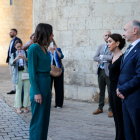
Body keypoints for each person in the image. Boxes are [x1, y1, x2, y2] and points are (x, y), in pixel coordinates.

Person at [28, 23, 53, 140]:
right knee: (38, 119)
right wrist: (36, 91)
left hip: (47, 83)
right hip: (39, 83)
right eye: (51, 33)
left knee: (44, 118)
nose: (52, 35)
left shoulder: (45, 48)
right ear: (45, 33)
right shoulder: (33, 48)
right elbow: (32, 72)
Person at [116, 20, 140, 140]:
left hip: (135, 100)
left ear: (135, 31)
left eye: (125, 30)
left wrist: (122, 89)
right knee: (128, 133)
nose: (123, 34)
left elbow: (139, 76)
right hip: (125, 98)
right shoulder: (130, 47)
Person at [108, 34, 126, 140]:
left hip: (118, 89)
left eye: (110, 41)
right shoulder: (113, 57)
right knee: (116, 118)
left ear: (117, 43)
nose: (108, 44)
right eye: (107, 41)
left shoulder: (122, 58)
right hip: (111, 89)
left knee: (120, 118)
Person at [93, 31, 113, 117]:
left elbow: (112, 57)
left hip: (108, 71)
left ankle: (111, 109)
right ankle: (100, 108)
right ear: (103, 37)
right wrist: (104, 60)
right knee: (101, 90)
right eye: (106, 35)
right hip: (100, 71)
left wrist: (102, 56)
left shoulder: (112, 46)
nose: (107, 37)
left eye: (109, 35)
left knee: (110, 91)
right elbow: (95, 57)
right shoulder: (100, 46)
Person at [10, 39, 30, 113]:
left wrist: (24, 58)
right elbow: (11, 63)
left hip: (26, 71)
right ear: (15, 47)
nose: (19, 48)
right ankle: (18, 107)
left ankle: (25, 106)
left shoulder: (26, 53)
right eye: (18, 47)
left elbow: (30, 62)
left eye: (20, 46)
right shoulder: (13, 54)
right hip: (18, 72)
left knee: (26, 90)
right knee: (18, 90)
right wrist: (16, 59)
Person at [48, 39, 64, 109]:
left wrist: (56, 50)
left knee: (59, 87)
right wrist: (48, 50)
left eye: (52, 44)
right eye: (50, 44)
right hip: (49, 70)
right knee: (48, 88)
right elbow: (44, 58)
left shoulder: (58, 49)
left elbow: (61, 56)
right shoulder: (46, 50)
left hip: (58, 70)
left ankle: (59, 104)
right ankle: (48, 103)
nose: (51, 45)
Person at [6, 29, 20, 94]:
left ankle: (15, 89)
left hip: (15, 59)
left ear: (15, 33)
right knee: (11, 74)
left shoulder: (17, 40)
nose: (9, 33)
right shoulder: (11, 41)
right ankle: (14, 88)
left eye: (11, 32)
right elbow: (9, 51)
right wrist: (8, 60)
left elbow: (18, 49)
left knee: (15, 74)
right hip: (11, 59)